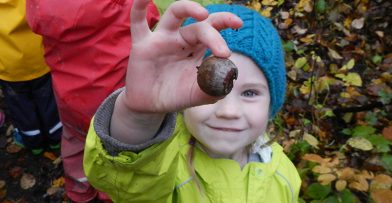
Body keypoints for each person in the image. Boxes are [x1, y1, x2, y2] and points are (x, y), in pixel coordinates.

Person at [84, 0, 301, 202]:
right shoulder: (161, 165)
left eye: (250, 93)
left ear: (272, 104)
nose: (228, 111)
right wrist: (139, 116)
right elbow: (128, 182)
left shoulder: (286, 177)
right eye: (208, 92)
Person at [25, 0, 159, 202]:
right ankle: (108, 193)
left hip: (69, 98)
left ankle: (79, 190)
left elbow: (34, 21)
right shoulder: (120, 4)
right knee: (114, 151)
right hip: (113, 101)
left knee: (75, 142)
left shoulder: (41, 4)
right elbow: (150, 17)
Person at [0, 0, 62, 155]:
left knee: (20, 105)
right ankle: (57, 138)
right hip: (39, 55)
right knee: (48, 99)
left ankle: (34, 143)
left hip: (8, 64)